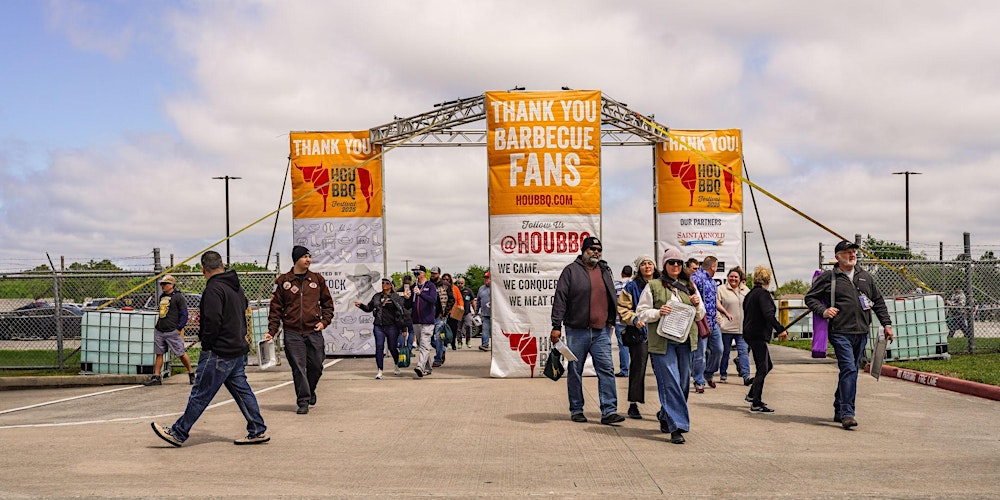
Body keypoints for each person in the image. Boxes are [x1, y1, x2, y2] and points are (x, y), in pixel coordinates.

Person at [151, 250, 268, 447]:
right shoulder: (236, 288)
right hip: (237, 349)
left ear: (203, 269)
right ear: (221, 265)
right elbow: (242, 310)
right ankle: (257, 429)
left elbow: (212, 320)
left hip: (219, 351)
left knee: (201, 392)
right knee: (242, 391)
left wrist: (207, 343)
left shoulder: (213, 289)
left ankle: (179, 433)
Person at [805, 240, 894, 430]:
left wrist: (887, 324)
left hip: (861, 332)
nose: (852, 255)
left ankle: (839, 407)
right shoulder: (830, 277)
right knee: (850, 370)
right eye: (847, 252)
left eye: (853, 252)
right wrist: (823, 311)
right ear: (837, 257)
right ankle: (847, 413)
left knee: (850, 371)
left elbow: (877, 301)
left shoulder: (865, 277)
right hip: (840, 332)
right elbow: (810, 297)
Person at [549, 236, 625, 425]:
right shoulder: (571, 271)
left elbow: (611, 297)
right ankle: (576, 409)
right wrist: (556, 326)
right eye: (591, 249)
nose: (596, 252)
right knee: (575, 370)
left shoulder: (605, 271)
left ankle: (609, 411)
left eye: (599, 249)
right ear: (583, 250)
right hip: (576, 331)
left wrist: (611, 321)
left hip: (601, 332)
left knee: (606, 370)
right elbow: (560, 299)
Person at [635, 246, 705, 444]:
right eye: (671, 262)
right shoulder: (654, 285)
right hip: (662, 343)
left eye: (678, 263)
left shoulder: (689, 285)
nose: (675, 265)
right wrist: (658, 312)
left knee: (683, 384)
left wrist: (697, 303)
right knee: (670, 383)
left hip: (685, 342)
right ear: (664, 265)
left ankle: (666, 415)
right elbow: (641, 312)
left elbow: (700, 315)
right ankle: (678, 426)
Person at [265, 245, 335, 415]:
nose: (308, 260)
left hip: (313, 330)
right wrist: (272, 331)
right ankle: (303, 400)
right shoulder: (283, 281)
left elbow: (328, 304)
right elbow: (275, 309)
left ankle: (310, 390)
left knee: (317, 365)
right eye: (305, 257)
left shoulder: (317, 280)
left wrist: (324, 322)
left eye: (309, 256)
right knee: (298, 367)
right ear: (297, 259)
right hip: (292, 332)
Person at [742, 266, 788, 413]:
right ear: (768, 279)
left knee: (768, 366)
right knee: (762, 368)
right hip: (757, 334)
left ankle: (751, 394)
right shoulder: (763, 295)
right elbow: (768, 314)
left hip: (750, 333)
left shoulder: (750, 294)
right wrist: (781, 329)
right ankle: (756, 402)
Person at [616, 255, 658, 419]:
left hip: (661, 334)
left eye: (650, 263)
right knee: (637, 369)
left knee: (663, 371)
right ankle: (633, 404)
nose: (647, 266)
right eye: (643, 264)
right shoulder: (632, 286)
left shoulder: (663, 284)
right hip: (640, 334)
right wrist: (634, 319)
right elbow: (623, 308)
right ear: (638, 268)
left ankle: (666, 404)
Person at [144, 275, 195, 386]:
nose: (163, 286)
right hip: (160, 329)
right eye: (162, 284)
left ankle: (191, 373)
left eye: (165, 283)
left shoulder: (178, 297)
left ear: (172, 284)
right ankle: (157, 376)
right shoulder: (162, 296)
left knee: (180, 353)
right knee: (159, 353)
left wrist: (179, 328)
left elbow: (184, 314)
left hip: (172, 330)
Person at [355, 278, 407, 379]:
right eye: (383, 283)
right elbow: (369, 308)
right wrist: (361, 305)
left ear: (391, 285)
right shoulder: (377, 296)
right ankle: (380, 370)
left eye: (387, 283)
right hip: (378, 325)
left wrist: (404, 328)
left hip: (392, 326)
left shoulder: (395, 297)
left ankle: (396, 364)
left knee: (392, 347)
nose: (384, 285)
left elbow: (402, 313)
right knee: (379, 347)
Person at [689, 255, 725, 393]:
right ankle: (699, 381)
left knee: (719, 349)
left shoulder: (713, 282)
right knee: (700, 353)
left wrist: (724, 312)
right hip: (701, 321)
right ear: (713, 266)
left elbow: (714, 300)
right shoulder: (696, 278)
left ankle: (708, 373)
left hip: (713, 320)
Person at [716, 267, 752, 386]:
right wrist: (721, 321)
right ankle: (723, 374)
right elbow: (716, 306)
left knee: (743, 352)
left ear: (740, 279)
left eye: (736, 277)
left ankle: (746, 376)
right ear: (727, 277)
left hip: (741, 329)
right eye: (731, 276)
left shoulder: (746, 290)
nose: (733, 279)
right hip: (726, 328)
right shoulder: (721, 289)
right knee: (725, 352)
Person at [404, 265, 438, 377]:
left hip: (427, 320)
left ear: (423, 273)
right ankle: (428, 367)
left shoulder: (430, 286)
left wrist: (421, 294)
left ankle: (420, 366)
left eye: (418, 272)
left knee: (424, 343)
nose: (416, 274)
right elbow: (408, 305)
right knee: (423, 344)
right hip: (416, 320)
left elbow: (433, 300)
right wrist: (407, 298)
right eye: (414, 272)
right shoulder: (413, 286)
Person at [429, 266, 454, 366]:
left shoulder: (445, 285)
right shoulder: (428, 284)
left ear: (439, 274)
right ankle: (442, 350)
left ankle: (438, 359)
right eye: (432, 273)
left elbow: (452, 299)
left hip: (440, 316)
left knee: (439, 337)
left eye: (435, 273)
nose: (433, 275)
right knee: (429, 339)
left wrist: (445, 313)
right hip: (429, 316)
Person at [613, 265, 633, 378]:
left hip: (619, 320)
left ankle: (625, 370)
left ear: (622, 273)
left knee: (623, 346)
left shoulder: (616, 286)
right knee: (635, 347)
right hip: (632, 320)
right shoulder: (634, 285)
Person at [442, 273, 463, 350]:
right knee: (444, 328)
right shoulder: (440, 288)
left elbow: (459, 298)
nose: (445, 281)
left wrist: (461, 306)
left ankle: (453, 343)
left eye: (447, 279)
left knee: (454, 329)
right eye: (444, 279)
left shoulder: (455, 288)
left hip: (454, 311)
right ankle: (445, 343)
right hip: (444, 311)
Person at [456, 277, 476, 348]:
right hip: (458, 311)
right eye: (458, 283)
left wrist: (475, 310)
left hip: (467, 312)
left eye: (461, 283)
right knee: (458, 328)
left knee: (468, 326)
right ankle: (459, 342)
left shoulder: (468, 291)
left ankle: (468, 340)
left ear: (464, 283)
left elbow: (473, 300)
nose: (460, 284)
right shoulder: (455, 290)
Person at [397, 275, 415, 350]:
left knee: (401, 332)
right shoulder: (413, 290)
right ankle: (409, 350)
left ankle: (402, 350)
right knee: (411, 331)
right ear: (411, 281)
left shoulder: (399, 291)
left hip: (400, 314)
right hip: (410, 314)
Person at [477, 272, 492, 351]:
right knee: (485, 329)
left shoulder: (495, 288)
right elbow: (478, 300)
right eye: (485, 278)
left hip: (495, 314)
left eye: (488, 278)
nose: (486, 280)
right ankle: (485, 345)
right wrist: (476, 311)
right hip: (485, 313)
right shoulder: (481, 288)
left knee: (495, 331)